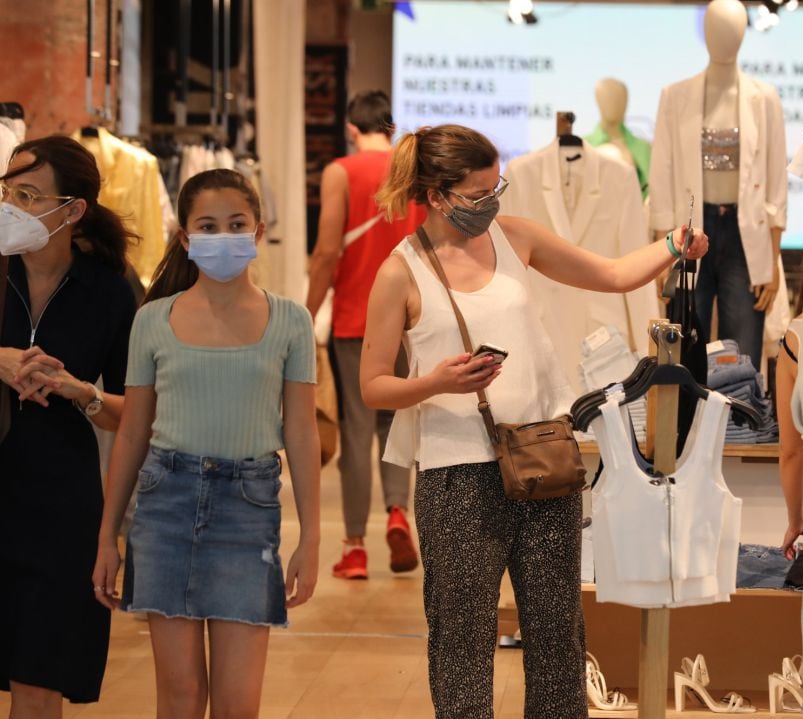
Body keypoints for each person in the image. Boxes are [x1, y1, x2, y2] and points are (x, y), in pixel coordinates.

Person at [360, 124, 707, 718]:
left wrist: (674, 246)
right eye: (478, 192)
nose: (493, 199)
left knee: (557, 636)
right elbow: (372, 385)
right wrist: (436, 382)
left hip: (542, 457)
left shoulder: (515, 237)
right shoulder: (401, 271)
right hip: (455, 478)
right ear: (438, 194)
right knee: (461, 641)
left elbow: (614, 273)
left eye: (497, 184)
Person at [92, 169, 320, 718]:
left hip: (248, 510)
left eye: (236, 224)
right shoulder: (152, 320)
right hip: (164, 507)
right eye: (208, 226)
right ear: (186, 238)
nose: (224, 236)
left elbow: (303, 431)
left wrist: (311, 538)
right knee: (179, 696)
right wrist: (107, 535)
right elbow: (133, 432)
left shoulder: (291, 321)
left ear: (258, 230)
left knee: (238, 704)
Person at [0, 136, 137, 714]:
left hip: (60, 502)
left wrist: (82, 393)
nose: (11, 206)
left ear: (73, 209)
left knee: (39, 674)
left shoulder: (109, 288)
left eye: (28, 195)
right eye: (6, 191)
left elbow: (138, 411)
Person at [305, 90, 426, 579]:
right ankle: (398, 512)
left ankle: (354, 547)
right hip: (411, 320)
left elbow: (326, 250)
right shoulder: (411, 170)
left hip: (356, 318)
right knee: (397, 425)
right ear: (391, 129)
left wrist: (306, 313)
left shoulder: (341, 172)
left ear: (352, 129)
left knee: (356, 432)